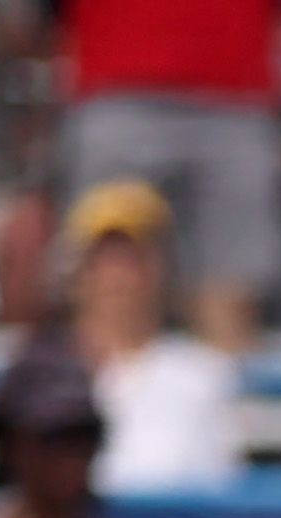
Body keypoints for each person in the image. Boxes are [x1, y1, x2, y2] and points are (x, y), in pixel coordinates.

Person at [50, 0, 281, 340]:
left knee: (232, 286)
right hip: (116, 89)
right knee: (109, 278)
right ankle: (97, 378)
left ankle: (221, 376)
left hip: (236, 96)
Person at [45, 184, 248, 495]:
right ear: (78, 273)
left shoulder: (204, 375)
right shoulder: (41, 375)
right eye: (104, 260)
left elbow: (220, 490)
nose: (118, 277)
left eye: (133, 260)